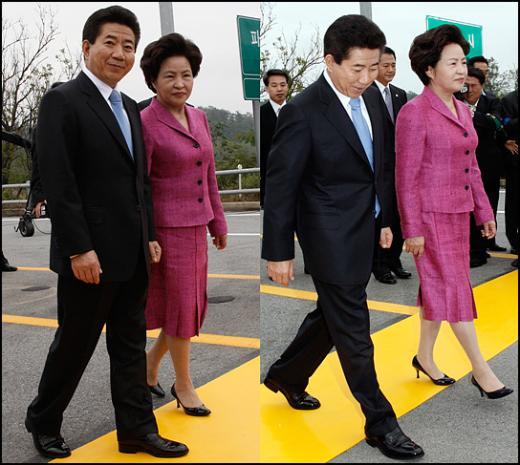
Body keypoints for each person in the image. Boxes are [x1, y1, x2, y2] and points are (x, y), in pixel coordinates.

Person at [25, 6, 188, 459]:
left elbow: (140, 181)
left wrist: (149, 233)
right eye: (110, 43)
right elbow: (59, 181)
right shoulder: (63, 100)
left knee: (130, 346)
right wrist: (79, 248)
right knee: (74, 344)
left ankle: (137, 430)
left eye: (128, 46)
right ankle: (43, 420)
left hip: (132, 251)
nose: (120, 53)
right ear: (87, 47)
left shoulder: (129, 107)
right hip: (89, 255)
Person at [262, 15, 424, 461]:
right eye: (357, 68)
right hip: (327, 235)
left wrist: (385, 218)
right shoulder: (302, 110)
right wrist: (278, 251)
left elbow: (380, 165)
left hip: (366, 227)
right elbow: (281, 184)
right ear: (330, 61)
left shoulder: (370, 97)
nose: (367, 77)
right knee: (354, 327)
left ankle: (286, 375)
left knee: (331, 315)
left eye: (373, 67)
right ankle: (380, 422)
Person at [395, 25, 513, 402]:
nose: (462, 70)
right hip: (429, 217)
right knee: (454, 289)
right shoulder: (414, 113)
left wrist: (484, 210)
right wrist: (412, 229)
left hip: (458, 213)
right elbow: (406, 177)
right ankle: (481, 370)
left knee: (439, 286)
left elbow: (471, 166)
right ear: (429, 69)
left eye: (463, 62)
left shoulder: (462, 108)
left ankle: (424, 357)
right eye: (453, 63)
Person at [139, 33, 228, 416]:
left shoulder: (199, 116)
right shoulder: (145, 122)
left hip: (196, 228)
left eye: (186, 75)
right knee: (181, 307)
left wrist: (218, 221)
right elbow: (140, 185)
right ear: (153, 80)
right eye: (170, 76)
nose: (180, 84)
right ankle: (184, 384)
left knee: (189, 307)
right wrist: (147, 235)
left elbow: (209, 174)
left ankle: (149, 364)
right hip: (167, 232)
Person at [370, 46, 411, 284]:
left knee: (398, 214)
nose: (390, 69)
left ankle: (394, 259)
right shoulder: (366, 93)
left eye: (393, 65)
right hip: (378, 166)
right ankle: (380, 265)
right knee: (382, 216)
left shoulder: (399, 94)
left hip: (399, 165)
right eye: (385, 65)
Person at [459, 67, 507, 266]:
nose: (469, 90)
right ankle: (469, 249)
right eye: (466, 85)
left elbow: (496, 123)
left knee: (486, 205)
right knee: (466, 208)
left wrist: (471, 114)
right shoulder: (454, 99)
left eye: (473, 86)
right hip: (461, 164)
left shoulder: (492, 102)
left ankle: (481, 249)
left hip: (487, 163)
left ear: (482, 86)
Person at [260, 69, 289, 208]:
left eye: (283, 85)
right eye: (274, 85)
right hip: (270, 184)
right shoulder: (261, 114)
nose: (279, 89)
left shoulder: (300, 111)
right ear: (266, 88)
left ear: (287, 86)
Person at [501, 88, 519, 267]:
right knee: (513, 206)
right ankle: (515, 242)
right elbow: (506, 124)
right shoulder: (509, 100)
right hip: (515, 162)